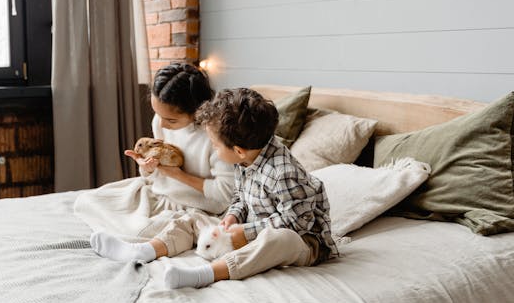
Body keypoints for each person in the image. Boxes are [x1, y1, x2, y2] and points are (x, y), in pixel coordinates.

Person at [90, 87, 339, 289]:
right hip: (250, 226)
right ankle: (142, 251)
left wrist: (247, 232)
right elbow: (242, 196)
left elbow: (298, 223)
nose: (214, 150)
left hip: (303, 243)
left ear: (238, 150)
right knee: (193, 219)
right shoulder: (247, 157)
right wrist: (232, 216)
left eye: (215, 146)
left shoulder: (284, 173)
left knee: (279, 240)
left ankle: (206, 274)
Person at [74, 63, 234, 240]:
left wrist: (178, 175)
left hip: (195, 205)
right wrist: (148, 168)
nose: (162, 125)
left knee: (141, 231)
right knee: (86, 201)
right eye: (158, 114)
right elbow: (154, 175)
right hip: (159, 193)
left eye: (171, 120)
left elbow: (226, 193)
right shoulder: (159, 121)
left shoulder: (215, 137)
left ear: (197, 111)